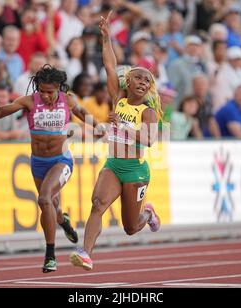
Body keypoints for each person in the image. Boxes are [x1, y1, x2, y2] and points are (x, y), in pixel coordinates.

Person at [0, 64, 102, 273]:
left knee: (44, 198)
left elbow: (81, 111)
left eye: (50, 92)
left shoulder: (67, 99)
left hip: (61, 160)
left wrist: (98, 126)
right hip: (38, 162)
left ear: (59, 88)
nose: (46, 96)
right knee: (50, 206)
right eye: (42, 91)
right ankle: (63, 220)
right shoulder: (30, 101)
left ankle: (50, 255)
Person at [70, 12, 162, 271]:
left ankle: (149, 213)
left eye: (148, 80)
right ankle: (86, 253)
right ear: (128, 81)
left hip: (135, 170)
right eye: (139, 78)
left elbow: (150, 140)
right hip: (114, 164)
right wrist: (107, 36)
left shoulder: (148, 112)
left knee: (131, 227)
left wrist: (123, 126)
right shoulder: (117, 100)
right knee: (97, 204)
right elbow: (110, 65)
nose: (143, 82)